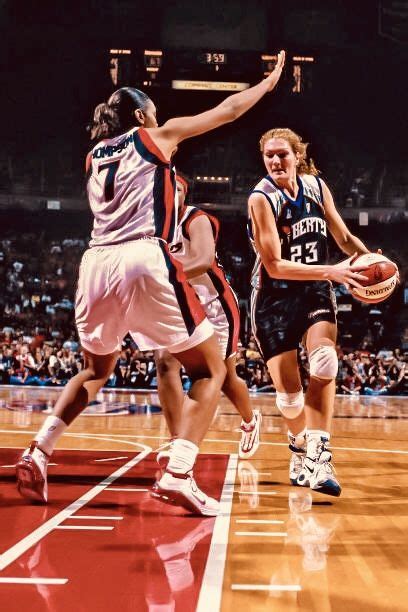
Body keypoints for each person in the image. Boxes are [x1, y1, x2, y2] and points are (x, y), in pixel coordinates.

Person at [15, 50, 286, 515]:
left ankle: (39, 450)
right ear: (141, 115)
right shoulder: (152, 137)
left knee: (95, 371)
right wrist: (267, 85)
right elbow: (227, 111)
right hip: (143, 255)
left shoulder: (92, 157)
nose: (159, 119)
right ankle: (180, 471)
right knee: (210, 369)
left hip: (94, 260)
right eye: (153, 113)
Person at [248, 127, 374, 497]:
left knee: (324, 363)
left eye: (282, 154)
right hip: (273, 296)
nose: (275, 161)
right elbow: (273, 265)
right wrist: (331, 271)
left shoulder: (316, 188)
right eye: (269, 155)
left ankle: (319, 456)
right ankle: (298, 446)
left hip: (314, 289)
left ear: (297, 156)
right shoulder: (262, 198)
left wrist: (369, 262)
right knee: (289, 397)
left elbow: (344, 238)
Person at [153, 175, 261, 464]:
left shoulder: (195, 218)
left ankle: (250, 421)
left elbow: (201, 260)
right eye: (164, 187)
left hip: (214, 307)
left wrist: (159, 277)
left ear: (183, 195)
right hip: (178, 305)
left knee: (224, 377)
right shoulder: (150, 228)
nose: (169, 192)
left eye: (175, 188)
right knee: (164, 363)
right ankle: (178, 441)